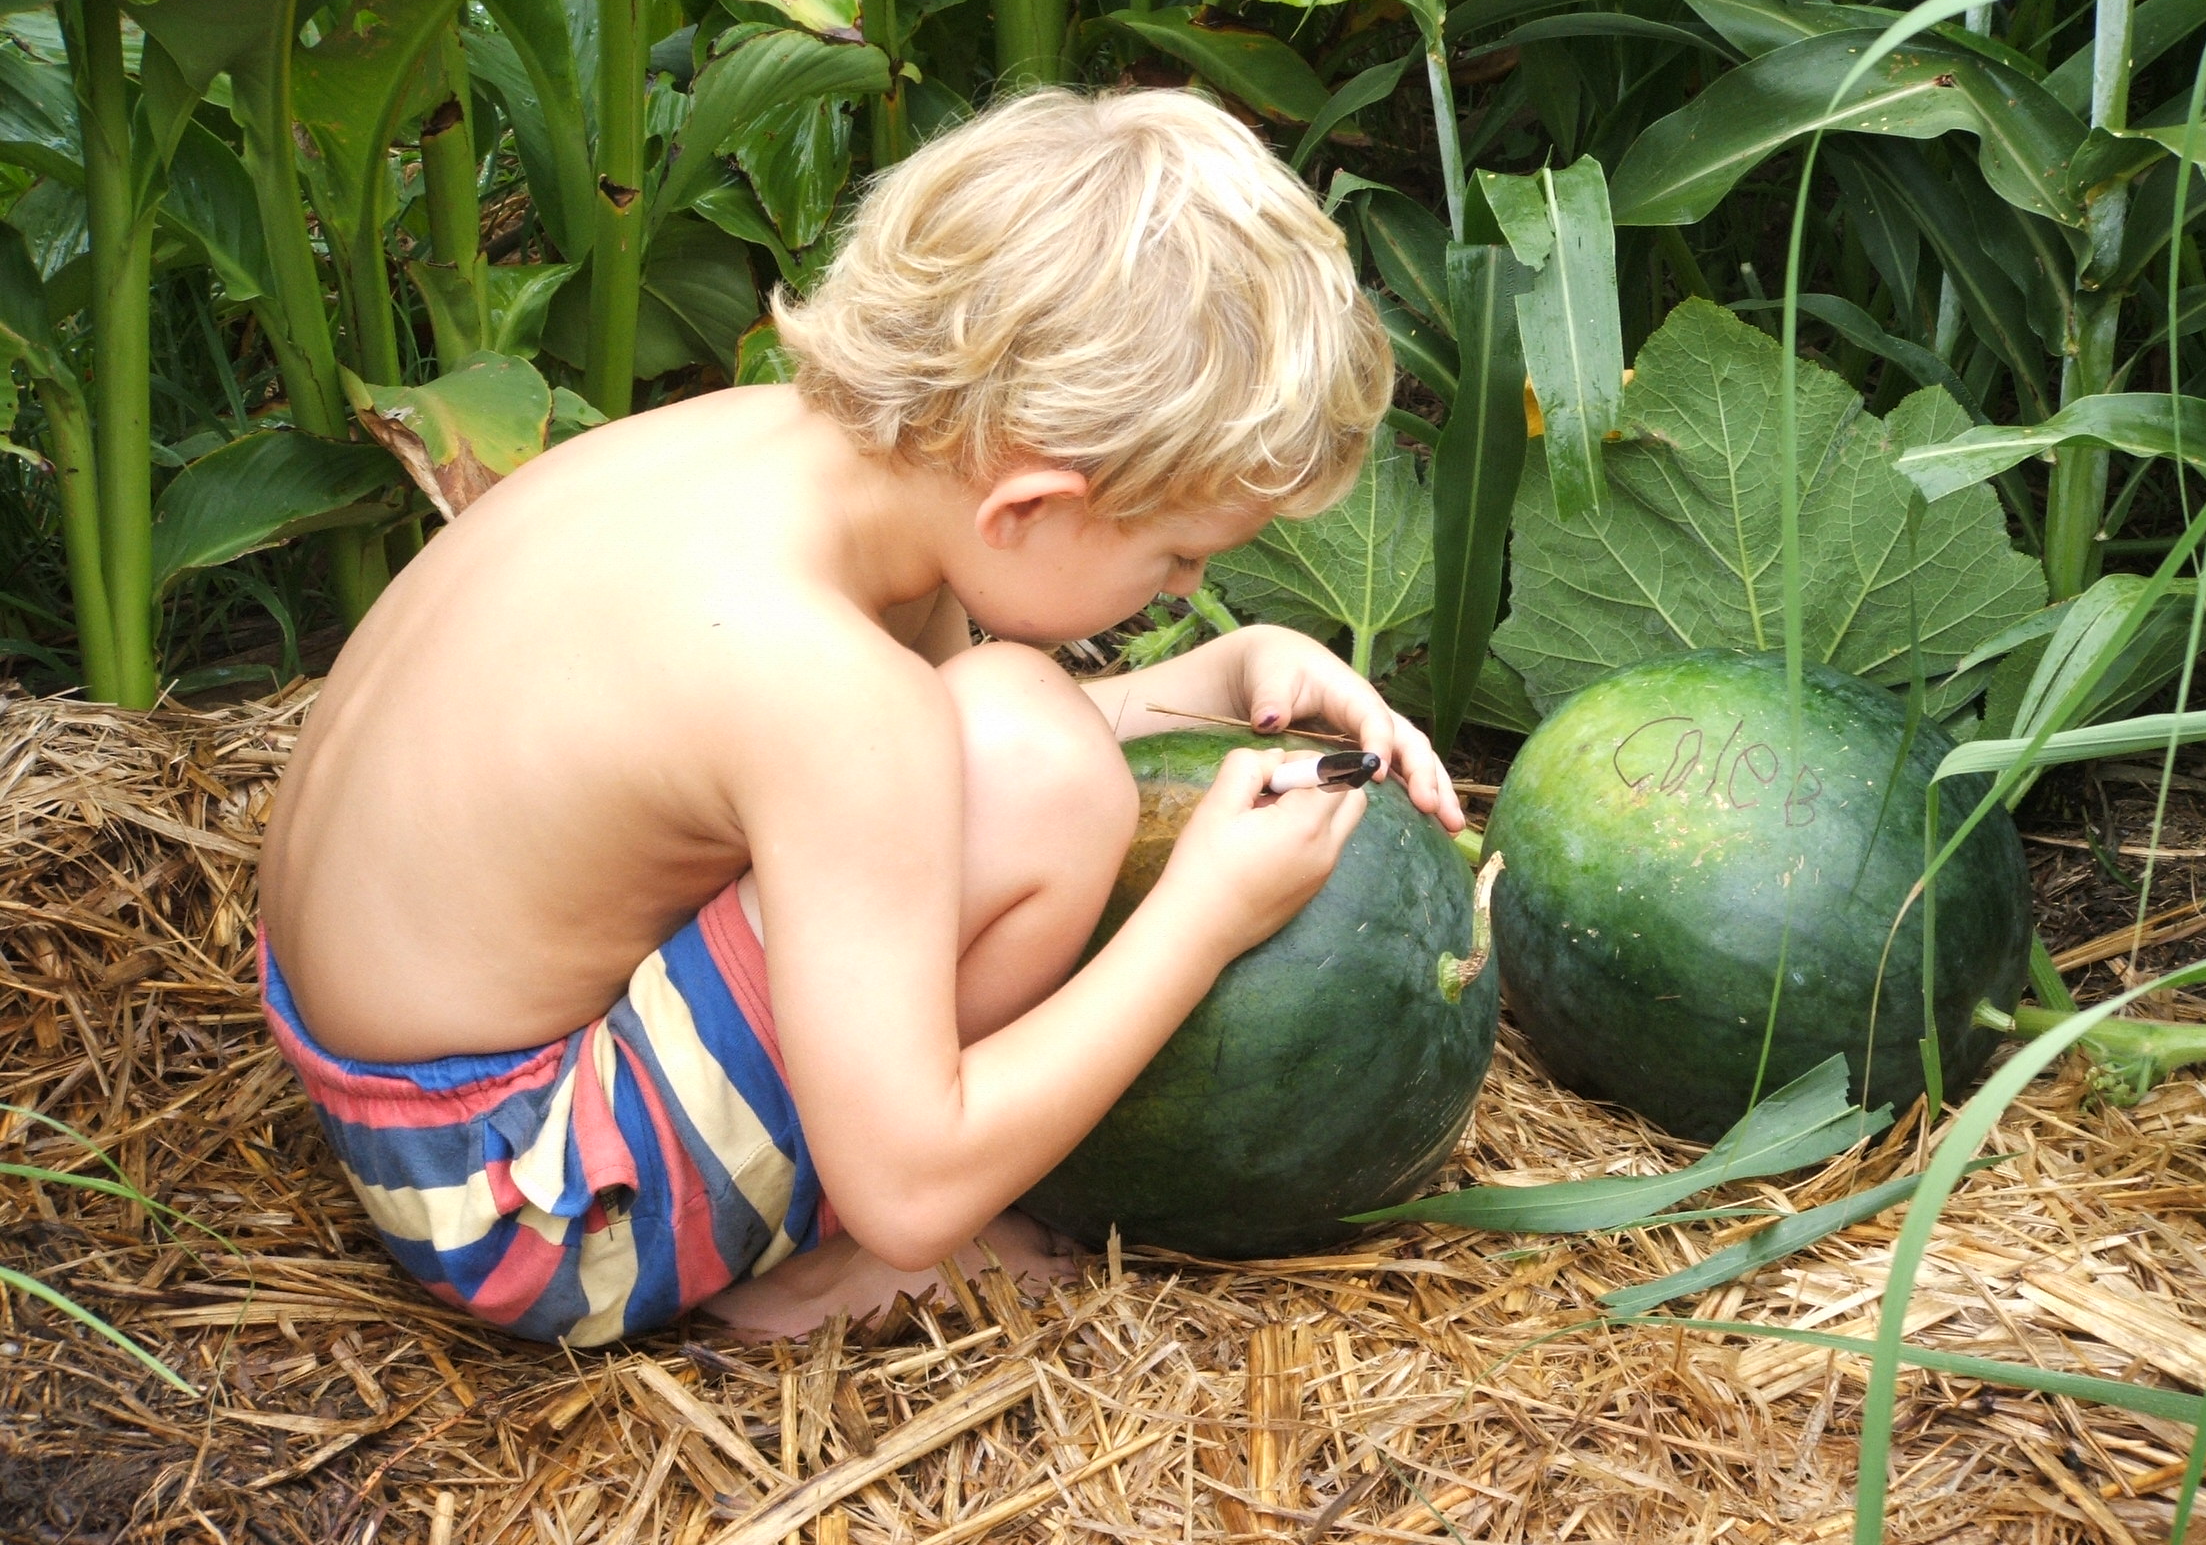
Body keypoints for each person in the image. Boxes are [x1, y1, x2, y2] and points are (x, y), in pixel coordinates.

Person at [255, 88, 1465, 1347]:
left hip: (383, 1058)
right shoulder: (831, 692)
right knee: (1047, 773)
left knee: (1018, 731)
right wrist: (1203, 919)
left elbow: (913, 774)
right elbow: (910, 1183)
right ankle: (797, 1274)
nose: (1188, 590)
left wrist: (1218, 679)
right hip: (527, 1205)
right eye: (1174, 561)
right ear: (1031, 506)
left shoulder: (777, 460)